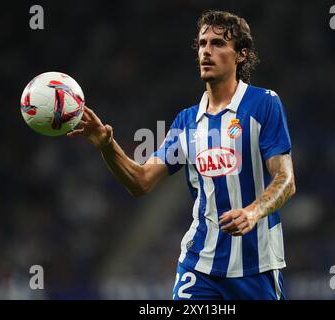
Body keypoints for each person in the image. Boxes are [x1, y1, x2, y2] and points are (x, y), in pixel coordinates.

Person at [68, 10, 296, 300]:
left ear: (241, 54)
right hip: (199, 269)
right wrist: (106, 146)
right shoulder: (187, 121)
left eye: (217, 44)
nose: (206, 51)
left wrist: (252, 212)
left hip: (257, 267)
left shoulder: (264, 104)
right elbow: (141, 181)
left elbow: (286, 179)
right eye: (202, 44)